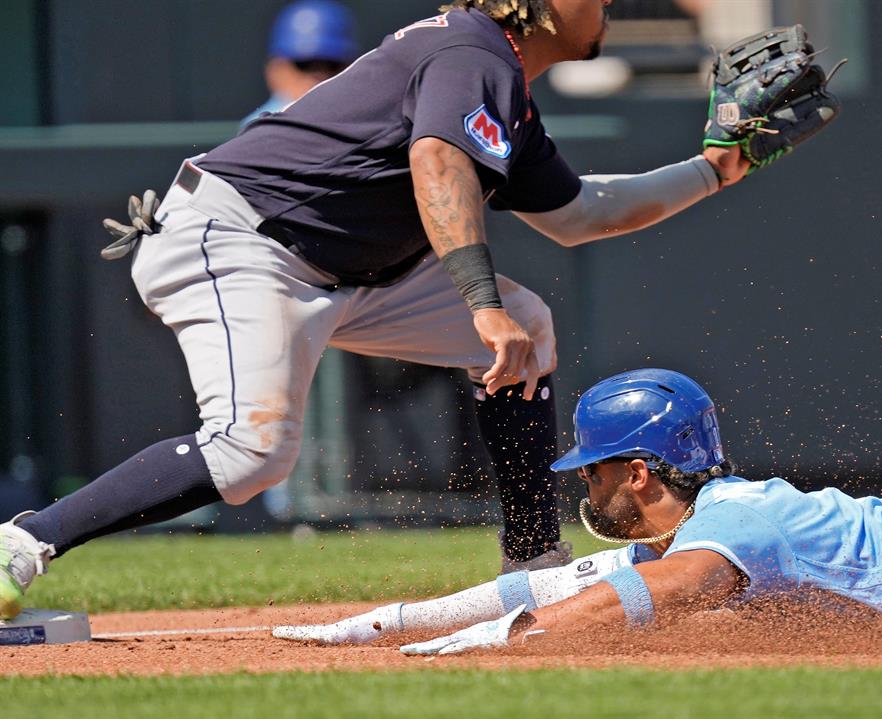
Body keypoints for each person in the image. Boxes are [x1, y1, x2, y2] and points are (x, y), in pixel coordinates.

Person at [0, 0, 756, 620]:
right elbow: (436, 159)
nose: (609, 3)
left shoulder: (501, 84)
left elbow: (581, 213)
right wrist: (478, 300)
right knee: (251, 451)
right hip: (240, 236)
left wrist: (716, 169)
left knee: (531, 328)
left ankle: (533, 559)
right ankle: (24, 542)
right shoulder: (472, 49)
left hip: (346, 265)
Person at [273, 368, 882, 651]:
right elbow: (543, 589)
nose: (583, 490)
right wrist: (384, 623)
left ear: (637, 472)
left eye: (592, 474)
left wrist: (499, 647)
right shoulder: (709, 520)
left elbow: (657, 597)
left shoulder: (728, 532)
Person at [241, 0, 360, 127]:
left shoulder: (363, 126)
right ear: (275, 70)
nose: (319, 75)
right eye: (304, 64)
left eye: (331, 65)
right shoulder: (257, 129)